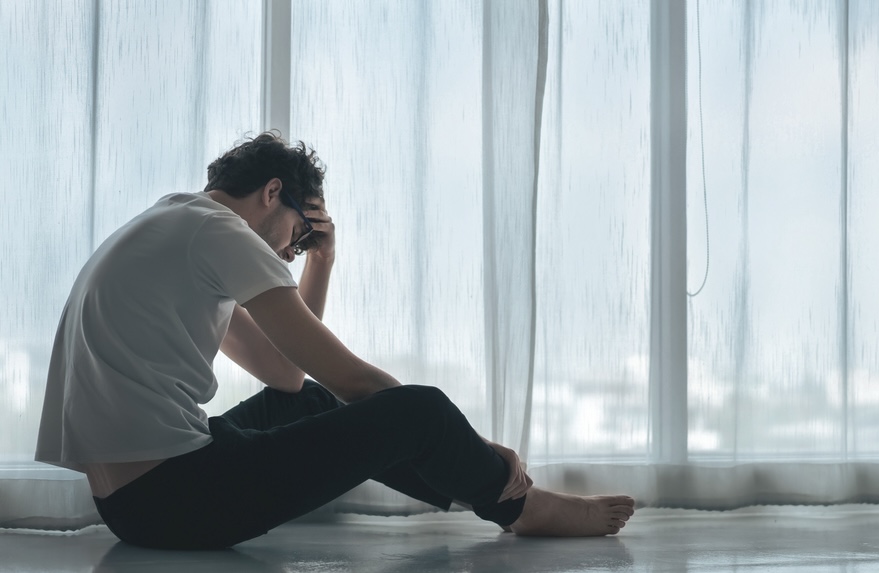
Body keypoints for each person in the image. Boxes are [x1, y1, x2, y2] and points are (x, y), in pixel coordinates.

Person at [35, 132, 635, 550]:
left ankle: (486, 489)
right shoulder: (219, 234)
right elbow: (352, 380)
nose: (286, 253)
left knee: (305, 404)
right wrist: (480, 443)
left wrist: (322, 260)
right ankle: (517, 502)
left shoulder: (174, 224)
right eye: (296, 235)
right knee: (417, 408)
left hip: (129, 506)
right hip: (176, 499)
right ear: (272, 193)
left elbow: (285, 375)